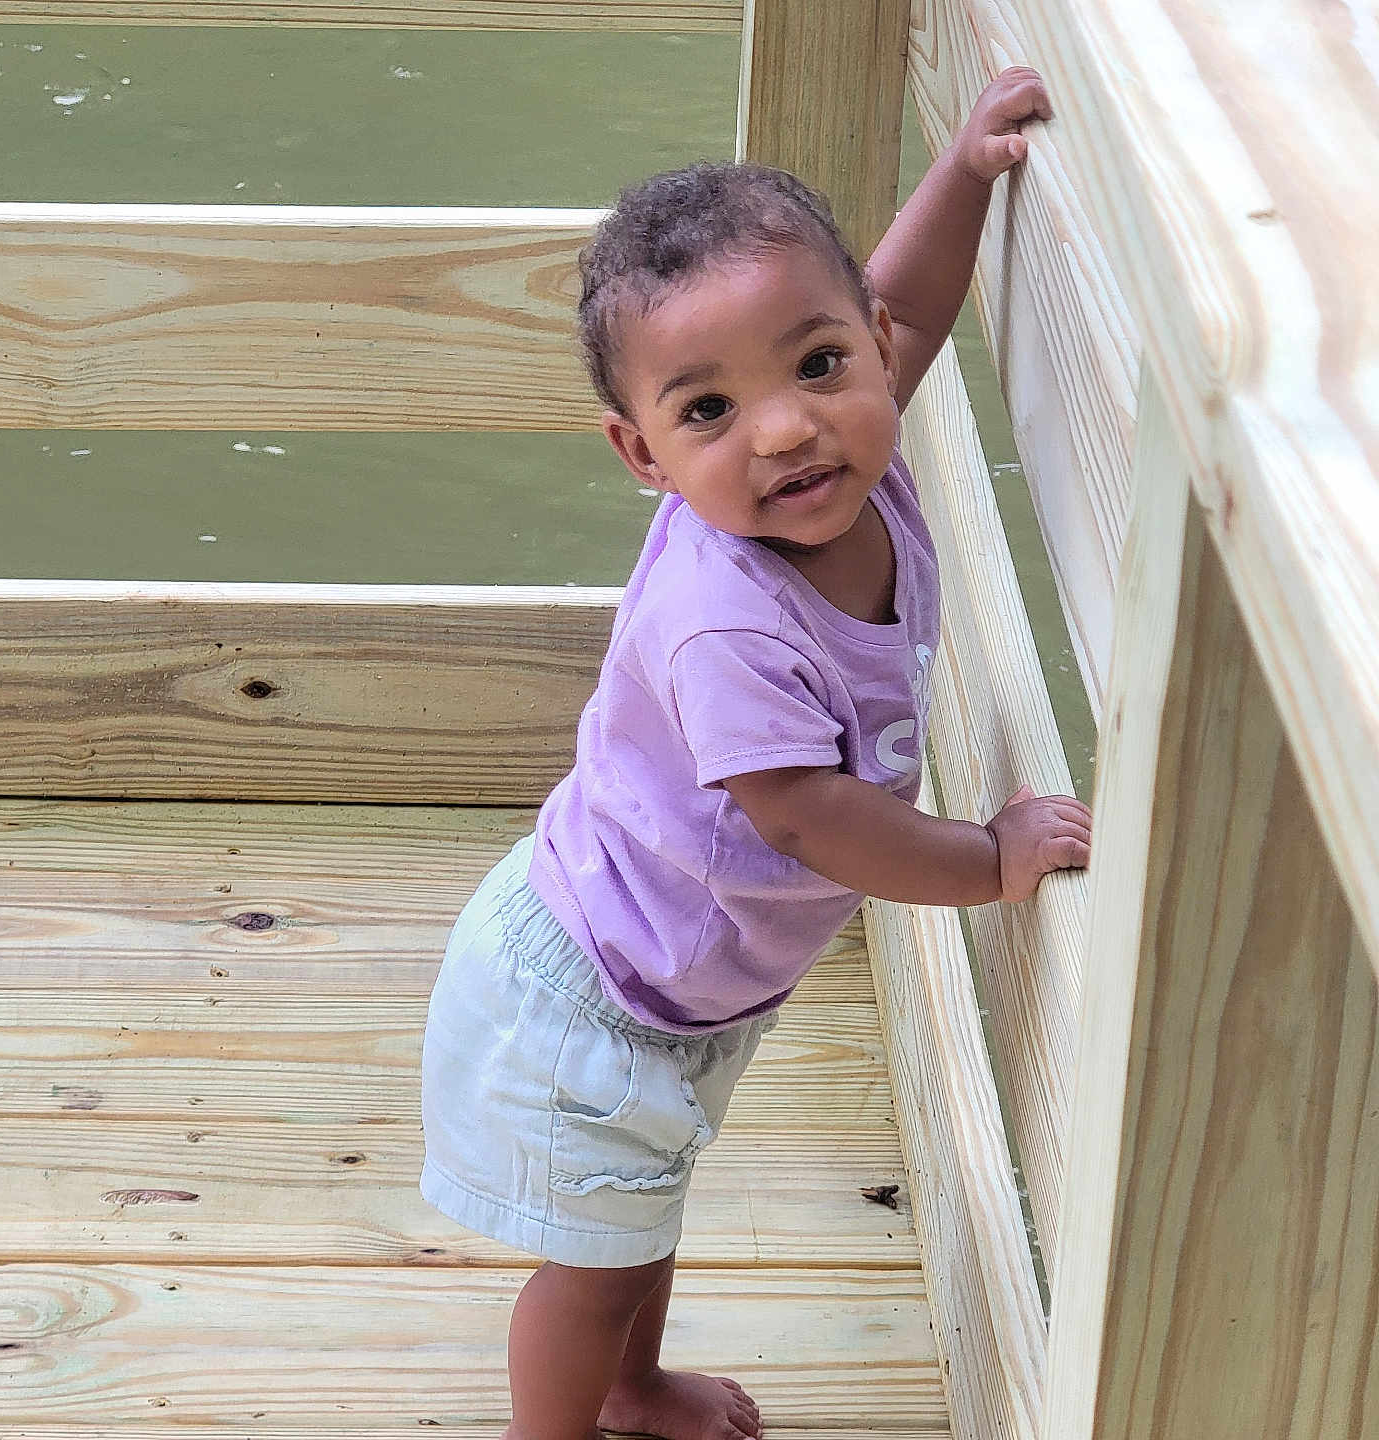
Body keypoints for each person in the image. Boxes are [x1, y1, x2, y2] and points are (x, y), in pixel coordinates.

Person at [421, 66, 1089, 1440]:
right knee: (594, 1260)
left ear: (864, 344)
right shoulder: (725, 620)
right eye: (707, 409)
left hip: (679, 976)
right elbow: (808, 818)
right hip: (594, 997)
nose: (784, 425)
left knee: (640, 1218)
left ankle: (633, 1389)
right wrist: (990, 859)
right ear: (643, 454)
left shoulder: (852, 457)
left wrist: (962, 172)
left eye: (819, 362)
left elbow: (915, 294)